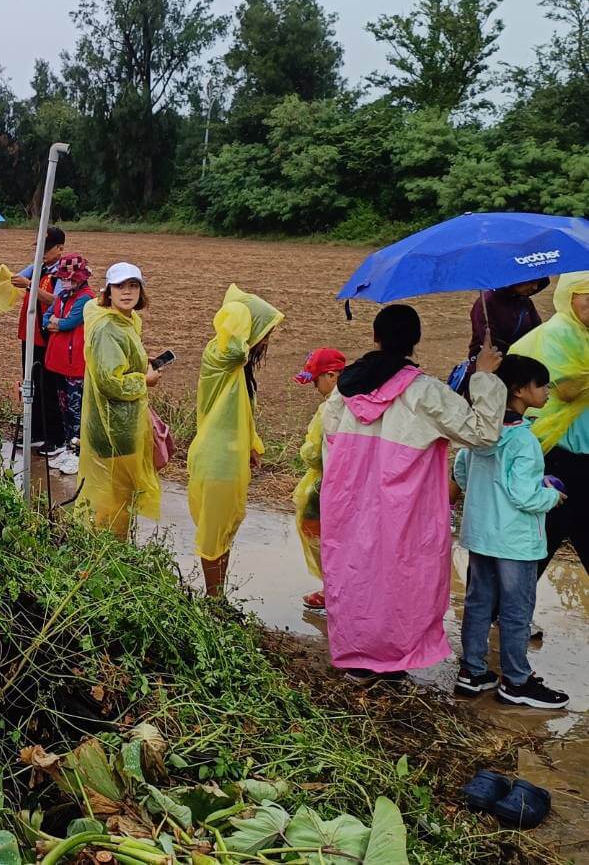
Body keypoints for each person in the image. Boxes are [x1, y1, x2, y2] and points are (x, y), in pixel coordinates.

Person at [321, 304, 505, 680]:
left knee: (355, 571)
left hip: (349, 499)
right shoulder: (425, 392)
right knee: (402, 574)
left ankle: (358, 655)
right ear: (416, 341)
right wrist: (483, 377)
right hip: (404, 506)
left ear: (375, 336)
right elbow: (482, 433)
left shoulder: (345, 389)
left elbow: (331, 441)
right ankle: (392, 658)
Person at [454, 354, 568, 709]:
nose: (547, 392)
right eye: (541, 385)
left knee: (479, 602)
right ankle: (516, 680)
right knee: (517, 610)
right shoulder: (523, 441)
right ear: (518, 391)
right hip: (515, 541)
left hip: (481, 533)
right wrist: (551, 495)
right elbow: (524, 495)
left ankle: (473, 672)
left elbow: (460, 472)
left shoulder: (481, 433)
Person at [187, 284, 284, 596]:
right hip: (217, 461)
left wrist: (252, 445)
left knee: (225, 531)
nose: (267, 340)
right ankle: (213, 601)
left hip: (231, 459)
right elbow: (235, 347)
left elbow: (241, 414)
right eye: (264, 331)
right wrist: (240, 309)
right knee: (214, 535)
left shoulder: (239, 371)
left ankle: (217, 597)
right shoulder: (221, 354)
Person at [510, 271, 589, 579]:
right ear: (570, 297)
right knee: (543, 538)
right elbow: (568, 388)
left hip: (584, 456)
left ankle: (501, 611)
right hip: (557, 454)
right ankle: (500, 612)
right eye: (587, 295)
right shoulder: (556, 334)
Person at [75, 263, 163, 540]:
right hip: (112, 427)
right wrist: (145, 380)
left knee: (119, 495)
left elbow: (120, 363)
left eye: (133, 286)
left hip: (124, 424)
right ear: (108, 291)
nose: (127, 292)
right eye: (120, 286)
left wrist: (141, 363)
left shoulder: (126, 322)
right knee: (112, 499)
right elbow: (110, 381)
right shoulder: (108, 329)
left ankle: (112, 549)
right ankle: (107, 553)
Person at [291, 348, 347, 615]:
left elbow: (314, 453)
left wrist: (305, 451)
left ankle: (332, 590)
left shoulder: (330, 409)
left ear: (332, 376)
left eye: (316, 380)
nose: (315, 387)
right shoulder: (360, 401)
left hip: (325, 484)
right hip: (350, 485)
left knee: (318, 533)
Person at [41, 254, 97, 476]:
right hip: (59, 362)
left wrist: (57, 323)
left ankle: (78, 451)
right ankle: (67, 446)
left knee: (76, 410)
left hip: (75, 364)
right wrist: (55, 323)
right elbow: (47, 319)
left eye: (69, 279)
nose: (65, 282)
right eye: (63, 279)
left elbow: (70, 322)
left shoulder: (86, 298)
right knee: (64, 407)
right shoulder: (63, 296)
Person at [13, 228, 66, 453]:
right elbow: (17, 276)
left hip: (48, 337)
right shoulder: (39, 267)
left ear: (60, 249)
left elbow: (57, 301)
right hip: (30, 335)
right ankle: (35, 432)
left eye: (46, 249)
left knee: (49, 388)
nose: (41, 253)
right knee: (31, 384)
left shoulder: (64, 272)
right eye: (39, 249)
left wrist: (28, 285)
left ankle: (55, 438)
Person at [466, 281, 548, 381]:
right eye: (531, 282)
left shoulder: (525, 302)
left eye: (538, 282)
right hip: (491, 370)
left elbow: (537, 332)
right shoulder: (486, 303)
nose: (535, 287)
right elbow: (492, 344)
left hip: (521, 366)